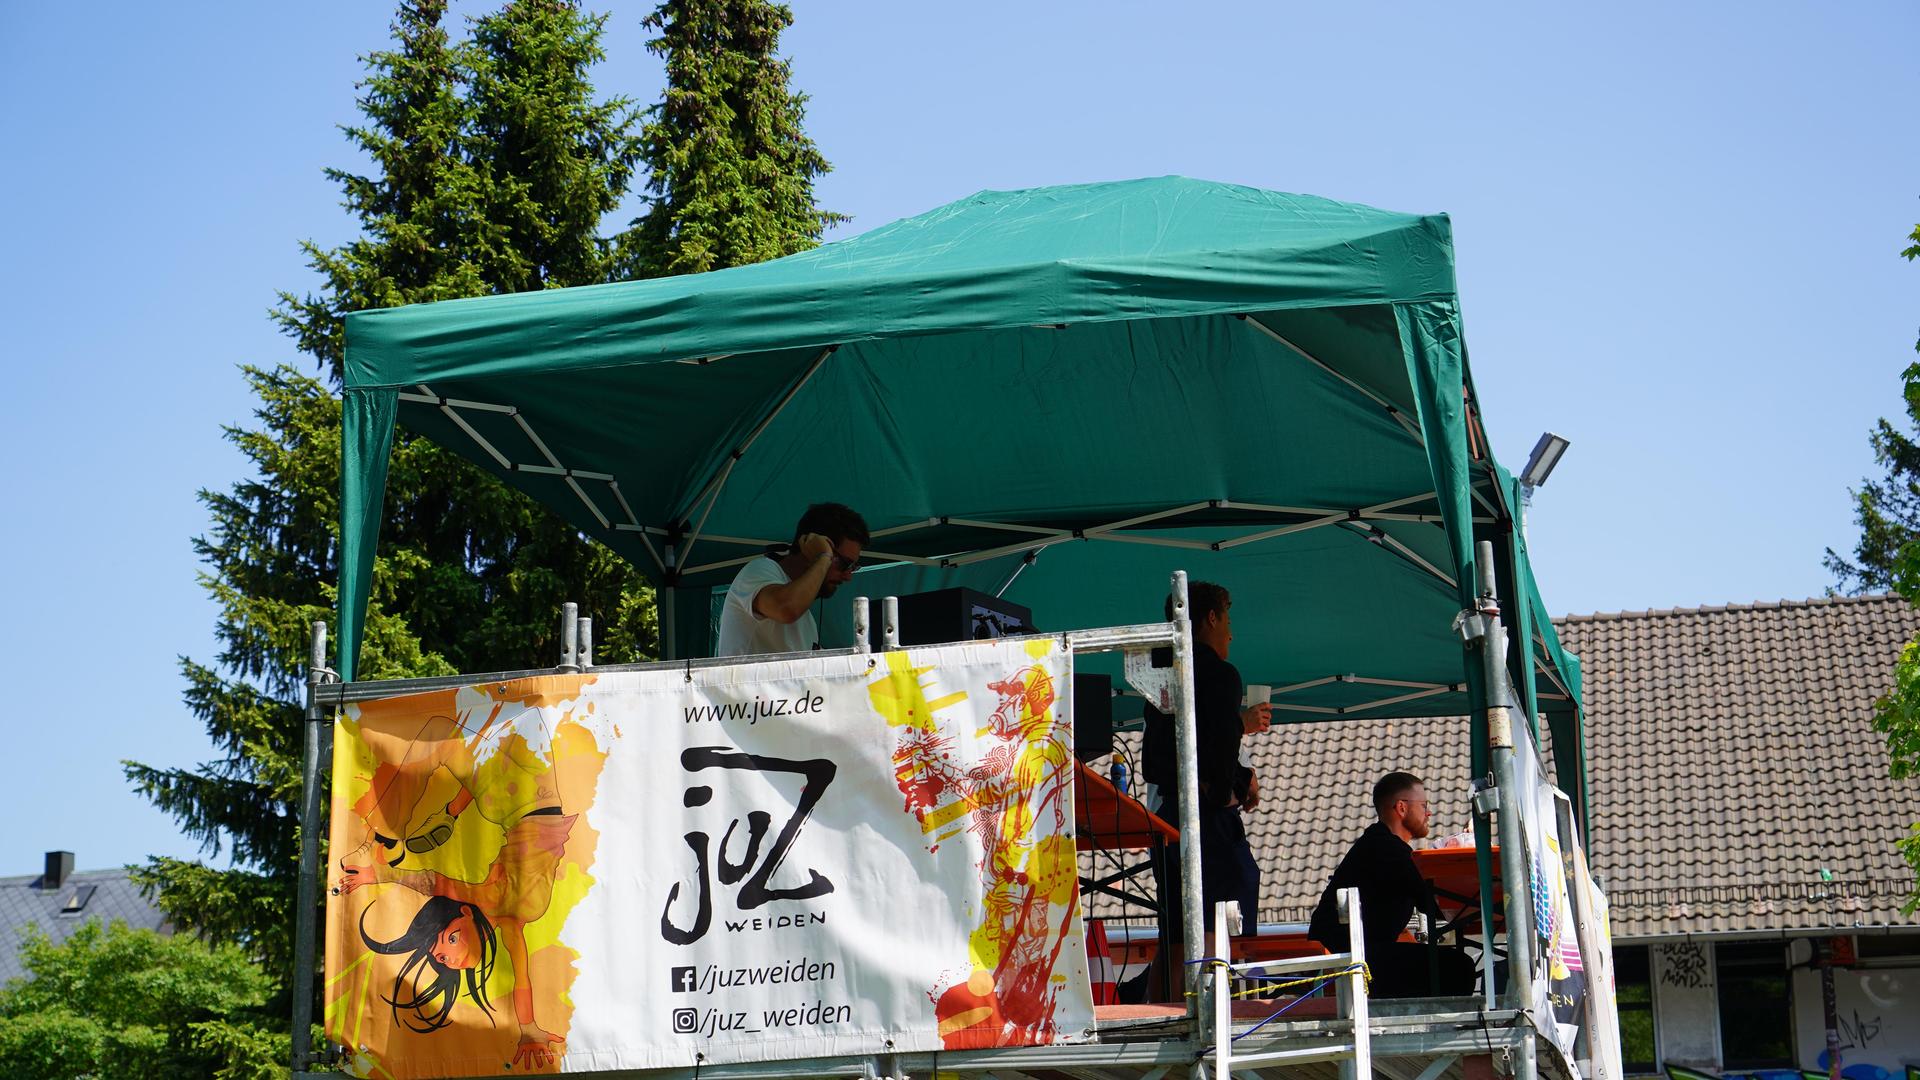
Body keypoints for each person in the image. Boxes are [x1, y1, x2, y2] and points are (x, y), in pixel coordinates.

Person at [1139, 581, 1271, 982]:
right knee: (1219, 926)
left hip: (1169, 822)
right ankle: (1216, 1012)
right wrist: (1240, 741)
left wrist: (1238, 768)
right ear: (1211, 618)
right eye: (1227, 619)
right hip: (1208, 828)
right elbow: (1213, 760)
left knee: (1176, 932)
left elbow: (1161, 759)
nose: (1231, 631)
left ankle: (1164, 1012)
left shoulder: (1159, 674)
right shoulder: (1220, 674)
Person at [1307, 771, 1477, 998]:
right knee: (1458, 967)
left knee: (1449, 964)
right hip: (1349, 958)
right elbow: (1436, 902)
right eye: (1424, 805)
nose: (1429, 812)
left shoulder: (1382, 844)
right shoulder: (1387, 849)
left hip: (1359, 954)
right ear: (1402, 808)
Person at [715, 502, 868, 657]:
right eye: (844, 564)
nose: (848, 576)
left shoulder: (807, 620)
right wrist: (823, 557)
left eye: (853, 567)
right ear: (812, 546)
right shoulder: (759, 570)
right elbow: (786, 609)